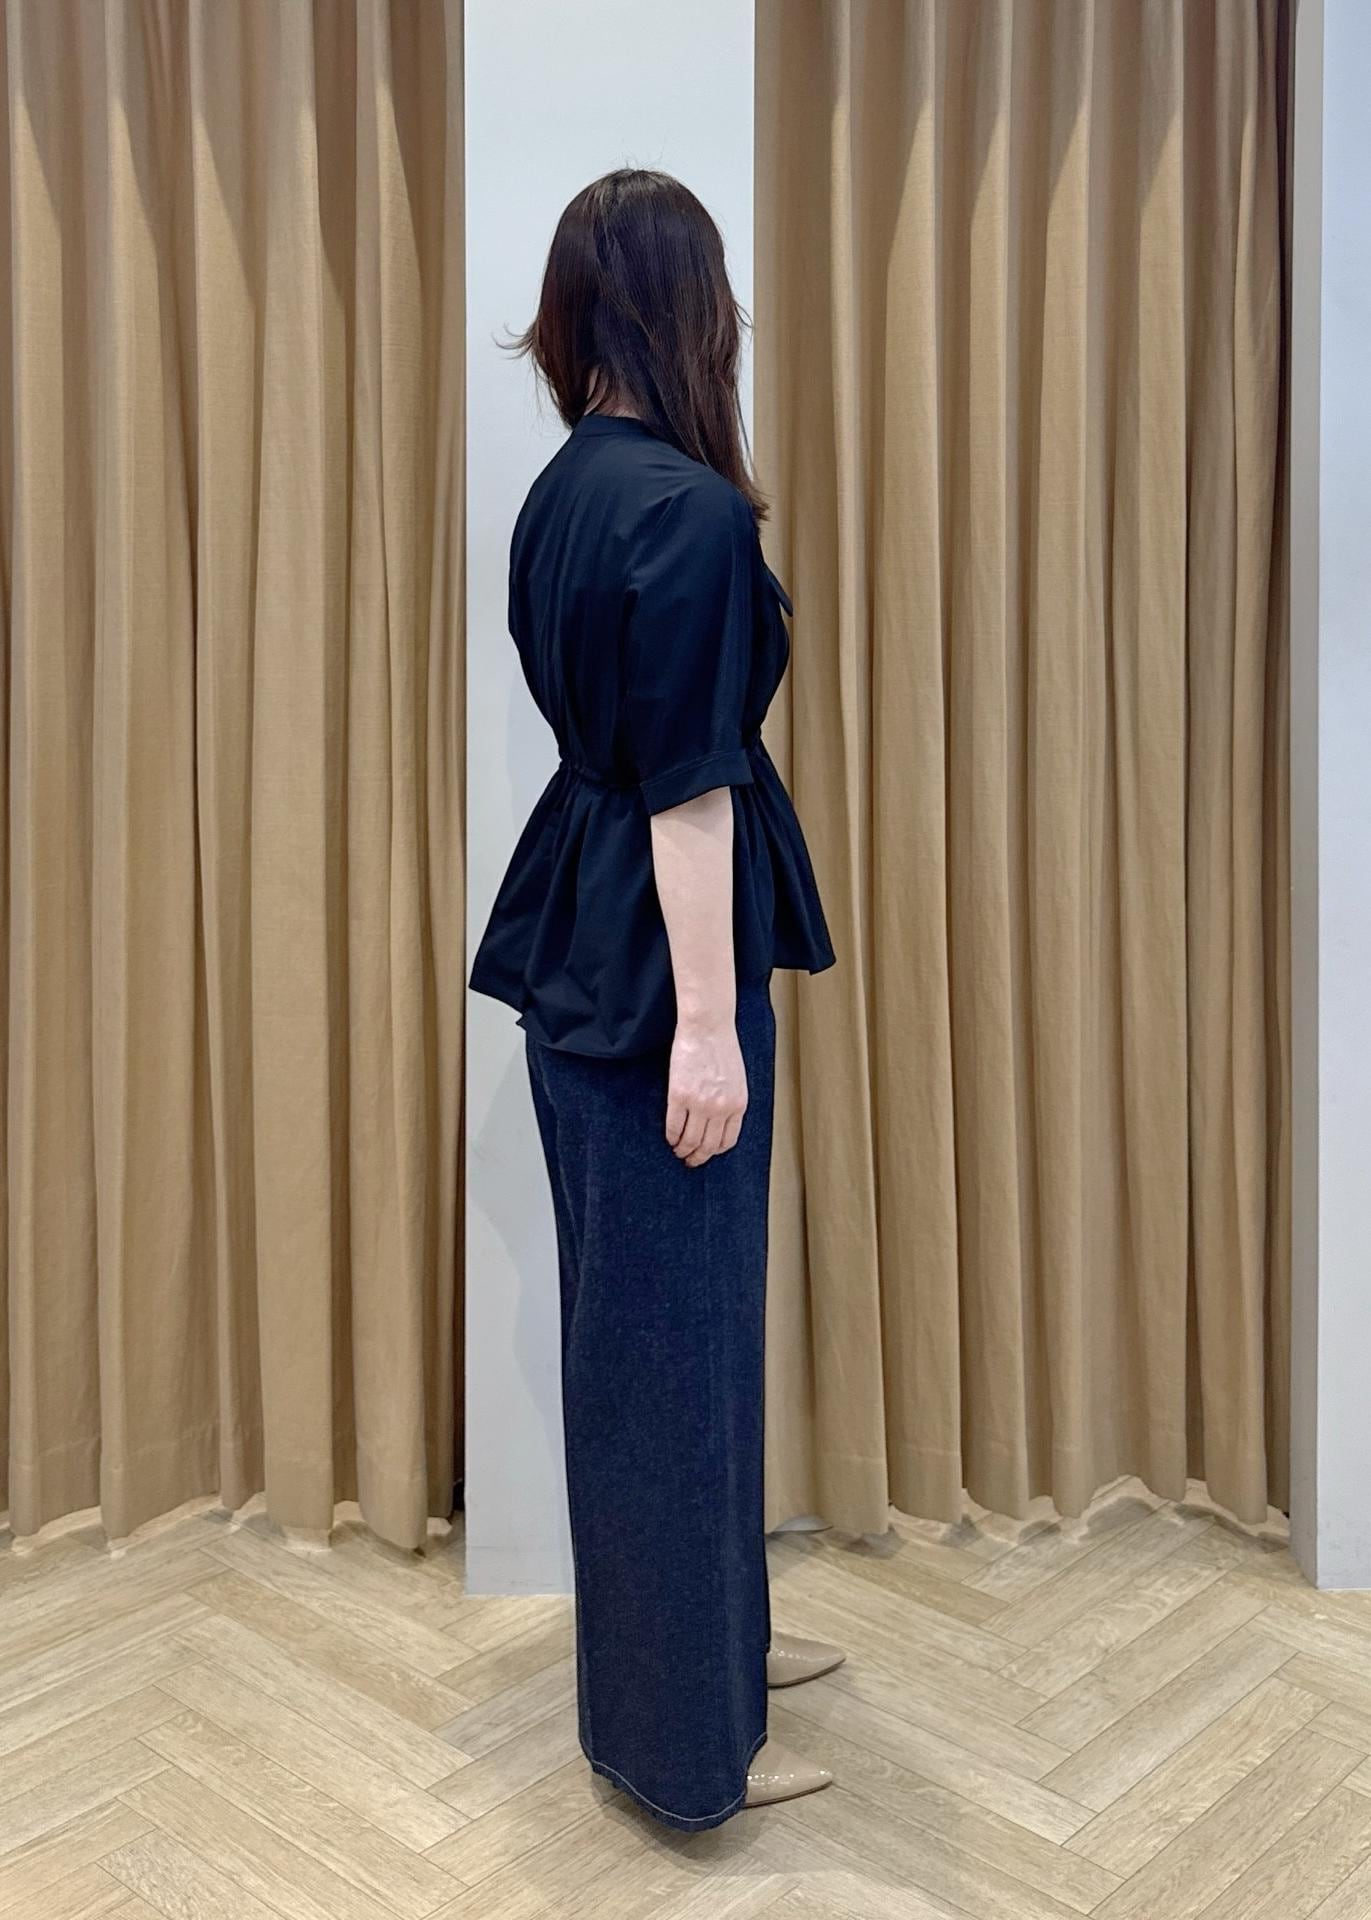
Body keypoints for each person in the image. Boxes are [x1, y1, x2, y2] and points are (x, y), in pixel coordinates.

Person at [469, 167, 841, 1832]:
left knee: (668, 1343)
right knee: (671, 1358)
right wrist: (705, 1029)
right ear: (693, 311)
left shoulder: (568, 490)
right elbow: (689, 785)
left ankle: (718, 1647)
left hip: (584, 946)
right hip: (650, 982)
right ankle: (689, 1753)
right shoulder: (684, 512)